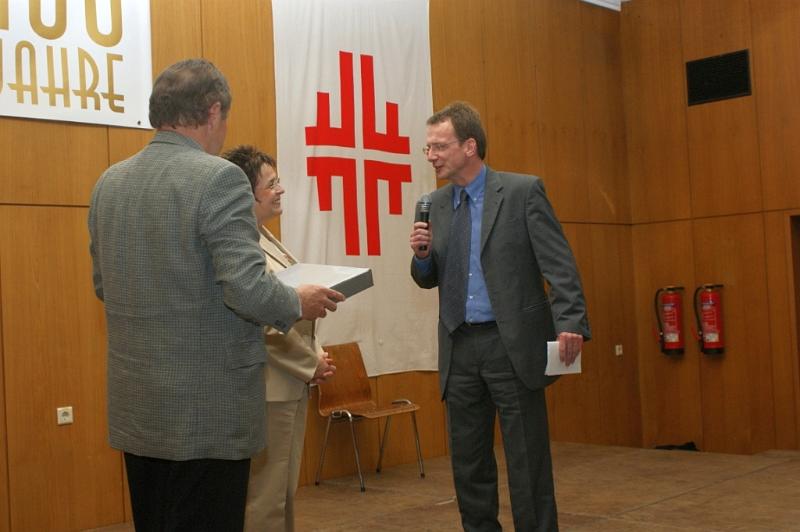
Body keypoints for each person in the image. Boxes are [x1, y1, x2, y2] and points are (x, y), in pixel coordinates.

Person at [88, 59, 344, 532]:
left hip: (139, 407)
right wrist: (297, 302)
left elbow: (105, 286)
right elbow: (247, 288)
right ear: (212, 111)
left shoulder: (110, 182)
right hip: (207, 411)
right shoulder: (219, 179)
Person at [409, 101, 590, 532]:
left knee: (527, 460)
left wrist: (570, 322)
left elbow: (559, 265)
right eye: (427, 148)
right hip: (459, 346)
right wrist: (421, 256)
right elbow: (427, 278)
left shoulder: (522, 192)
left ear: (469, 146)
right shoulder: (433, 204)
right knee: (468, 463)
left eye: (439, 146)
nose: (431, 155)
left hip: (512, 346)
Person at [223, 145, 334, 532]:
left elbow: (291, 307)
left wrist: (316, 354)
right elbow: (262, 320)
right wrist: (310, 363)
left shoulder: (264, 236)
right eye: (272, 184)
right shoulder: (241, 246)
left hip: (290, 382)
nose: (281, 190)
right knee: (265, 497)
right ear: (245, 193)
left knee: (283, 490)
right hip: (267, 387)